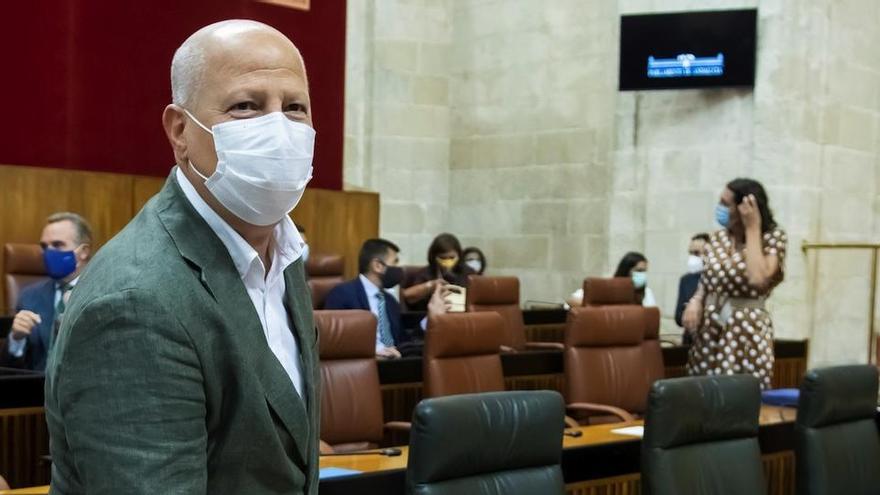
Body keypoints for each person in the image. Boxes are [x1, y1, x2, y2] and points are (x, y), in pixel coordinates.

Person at [45, 20, 321, 494]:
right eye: (246, 106)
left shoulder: (283, 254)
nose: (278, 127)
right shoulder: (134, 304)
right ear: (180, 131)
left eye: (294, 107)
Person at [683, 178, 786, 390]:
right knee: (703, 393)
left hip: (745, 330)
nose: (719, 208)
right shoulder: (717, 238)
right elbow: (708, 280)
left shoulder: (772, 237)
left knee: (739, 395)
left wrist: (753, 229)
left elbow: (758, 279)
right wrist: (696, 300)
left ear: (745, 207)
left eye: (725, 203)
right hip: (711, 328)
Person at [1, 212, 92, 371]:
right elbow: (9, 369)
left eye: (57, 245)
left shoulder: (103, 294)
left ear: (83, 251)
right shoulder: (29, 296)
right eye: (44, 246)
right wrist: (16, 339)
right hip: (36, 391)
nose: (48, 253)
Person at [325, 239, 407, 359]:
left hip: (394, 363)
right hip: (360, 364)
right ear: (377, 266)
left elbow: (403, 338)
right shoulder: (342, 294)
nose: (398, 268)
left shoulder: (390, 301)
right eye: (395, 262)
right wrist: (371, 352)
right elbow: (332, 341)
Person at [402, 233, 473, 311]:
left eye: (452, 257)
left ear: (459, 256)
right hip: (431, 315)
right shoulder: (425, 273)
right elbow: (408, 297)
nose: (447, 262)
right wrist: (430, 286)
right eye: (443, 258)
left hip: (462, 316)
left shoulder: (469, 273)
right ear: (434, 257)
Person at [674, 233, 711, 343]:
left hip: (712, 340)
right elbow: (678, 317)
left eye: (696, 253)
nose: (692, 257)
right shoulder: (686, 280)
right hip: (690, 340)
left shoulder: (717, 279)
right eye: (690, 253)